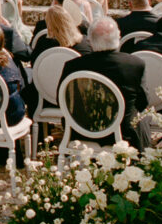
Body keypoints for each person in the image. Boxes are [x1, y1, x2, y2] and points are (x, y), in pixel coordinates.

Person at [58, 17, 149, 149]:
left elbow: (62, 101)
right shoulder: (135, 64)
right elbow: (143, 103)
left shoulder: (72, 66)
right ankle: (143, 157)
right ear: (118, 37)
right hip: (123, 134)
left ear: (89, 40)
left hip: (81, 131)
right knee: (143, 118)